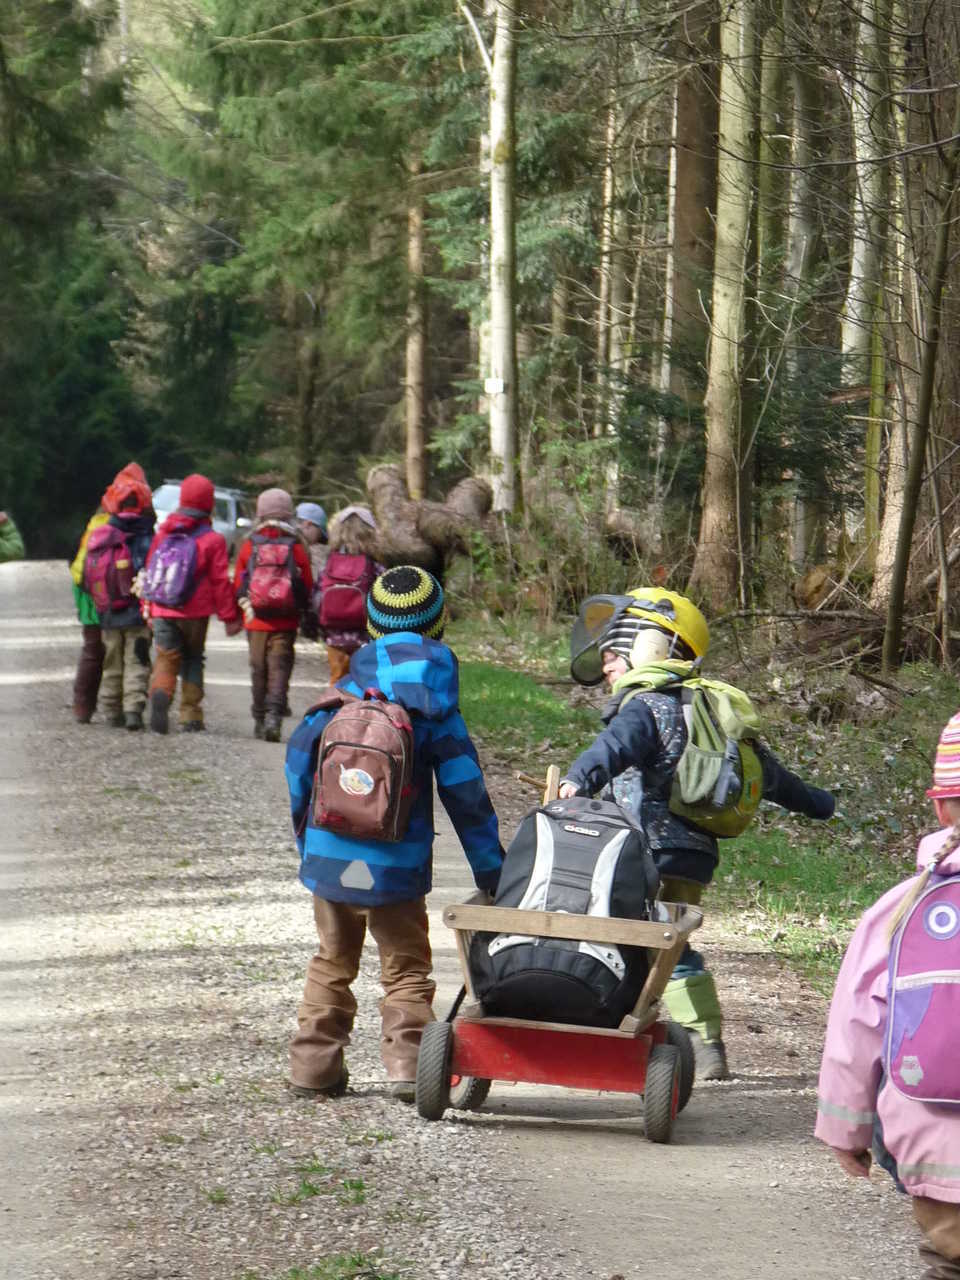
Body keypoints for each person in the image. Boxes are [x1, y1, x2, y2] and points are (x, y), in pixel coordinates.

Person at [559, 587, 835, 1079]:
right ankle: (700, 1041)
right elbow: (772, 778)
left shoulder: (645, 708)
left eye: (612, 654)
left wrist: (576, 780)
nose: (605, 667)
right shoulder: (712, 710)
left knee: (621, 933)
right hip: (693, 858)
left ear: (648, 645)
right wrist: (821, 804)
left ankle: (629, 1032)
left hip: (643, 853)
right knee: (670, 941)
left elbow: (613, 748)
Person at [284, 565, 504, 1101]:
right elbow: (466, 795)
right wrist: (494, 872)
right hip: (398, 867)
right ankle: (407, 1067)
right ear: (438, 625)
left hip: (332, 859)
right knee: (405, 966)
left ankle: (313, 1069)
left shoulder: (344, 692)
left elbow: (297, 767)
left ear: (371, 627)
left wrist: (308, 845)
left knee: (332, 961)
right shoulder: (437, 709)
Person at [816, 710, 960, 1280]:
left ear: (939, 806)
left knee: (949, 1260)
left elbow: (857, 1025)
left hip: (934, 1144)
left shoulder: (900, 909)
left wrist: (845, 1129)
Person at [144, 473, 242, 734]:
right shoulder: (213, 540)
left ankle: (161, 693)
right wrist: (230, 617)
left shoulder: (163, 534)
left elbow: (151, 569)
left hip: (163, 608)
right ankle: (190, 716)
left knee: (165, 657)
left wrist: (147, 604)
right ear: (209, 503)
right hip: (195, 613)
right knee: (193, 659)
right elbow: (220, 582)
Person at [233, 488, 314, 742]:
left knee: (258, 667)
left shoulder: (249, 543)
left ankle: (258, 717)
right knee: (279, 667)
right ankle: (274, 716)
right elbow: (308, 583)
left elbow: (238, 582)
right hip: (287, 619)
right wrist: (302, 609)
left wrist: (240, 608)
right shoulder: (296, 544)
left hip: (256, 619)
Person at [94, 464, 156, 731]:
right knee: (137, 659)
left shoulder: (104, 532)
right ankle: (133, 709)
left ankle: (110, 710)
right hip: (138, 611)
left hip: (108, 611)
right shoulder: (148, 534)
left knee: (111, 661)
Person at [317, 504, 384, 682]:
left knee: (337, 679)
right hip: (364, 633)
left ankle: (335, 708)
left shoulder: (329, 562)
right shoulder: (374, 565)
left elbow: (317, 593)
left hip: (334, 634)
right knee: (363, 681)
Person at [69, 505, 110, 724]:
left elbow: (77, 571)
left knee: (92, 651)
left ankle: (82, 706)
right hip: (120, 603)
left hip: (89, 597)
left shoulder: (93, 527)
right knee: (123, 653)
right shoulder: (135, 528)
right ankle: (120, 709)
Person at [296, 501, 329, 582]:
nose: (320, 538)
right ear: (308, 524)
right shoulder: (320, 552)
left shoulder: (288, 546)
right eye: (320, 533)